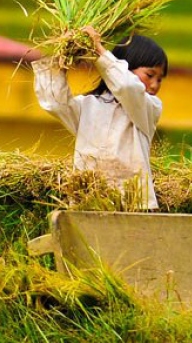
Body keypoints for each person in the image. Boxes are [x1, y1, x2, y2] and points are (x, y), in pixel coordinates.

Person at [32, 26, 167, 210]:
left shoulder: (149, 108)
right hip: (88, 201)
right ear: (125, 66)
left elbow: (127, 87)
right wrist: (59, 59)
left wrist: (98, 49)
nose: (154, 85)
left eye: (160, 79)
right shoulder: (89, 105)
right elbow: (55, 102)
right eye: (150, 75)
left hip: (133, 204)